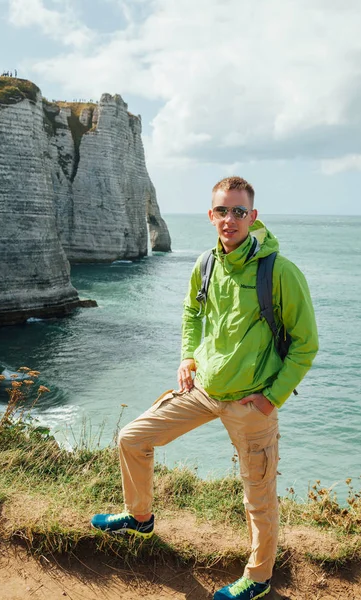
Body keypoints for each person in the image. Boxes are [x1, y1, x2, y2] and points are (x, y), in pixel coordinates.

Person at [91, 176, 319, 599]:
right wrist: (187, 356)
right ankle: (139, 517)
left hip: (252, 403)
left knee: (259, 499)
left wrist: (271, 398)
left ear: (253, 216)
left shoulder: (280, 271)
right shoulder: (206, 264)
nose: (229, 219)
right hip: (203, 391)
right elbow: (191, 313)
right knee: (132, 438)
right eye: (221, 210)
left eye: (238, 211)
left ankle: (259, 578)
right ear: (210, 215)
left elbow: (306, 345)